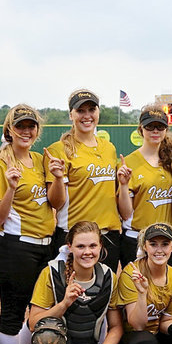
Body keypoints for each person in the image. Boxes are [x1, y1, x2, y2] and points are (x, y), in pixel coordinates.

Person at [0, 104, 64, 344]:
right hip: (17, 247)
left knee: (39, 311)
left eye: (31, 126)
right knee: (13, 313)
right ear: (9, 130)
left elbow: (55, 204)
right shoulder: (1, 164)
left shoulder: (39, 159)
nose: (26, 131)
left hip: (45, 247)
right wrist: (10, 187)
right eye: (20, 126)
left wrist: (57, 177)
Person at [46, 89, 122, 272]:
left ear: (98, 113)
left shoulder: (108, 148)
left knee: (104, 295)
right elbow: (55, 202)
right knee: (73, 295)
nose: (87, 116)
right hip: (74, 237)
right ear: (71, 114)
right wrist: (57, 178)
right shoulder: (59, 150)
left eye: (91, 109)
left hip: (107, 236)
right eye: (80, 111)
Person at [116, 105, 172, 266]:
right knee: (134, 289)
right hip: (136, 238)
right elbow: (125, 213)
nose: (155, 131)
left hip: (166, 240)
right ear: (141, 129)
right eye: (150, 126)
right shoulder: (130, 162)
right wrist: (123, 186)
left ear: (166, 129)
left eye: (160, 126)